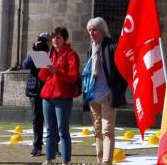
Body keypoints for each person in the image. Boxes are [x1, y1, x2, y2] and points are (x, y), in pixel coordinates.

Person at [82, 17, 127, 165]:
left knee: (108, 132)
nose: (91, 33)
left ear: (102, 30)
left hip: (107, 95)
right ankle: (99, 161)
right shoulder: (91, 49)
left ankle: (106, 162)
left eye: (94, 29)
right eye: (89, 30)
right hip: (93, 96)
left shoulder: (112, 47)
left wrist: (118, 89)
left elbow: (123, 71)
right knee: (97, 131)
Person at [39, 27, 80, 165]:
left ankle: (66, 161)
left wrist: (57, 71)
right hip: (47, 96)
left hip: (63, 96)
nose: (55, 40)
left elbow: (73, 77)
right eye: (54, 37)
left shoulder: (71, 54)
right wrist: (44, 67)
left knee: (63, 130)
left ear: (64, 39)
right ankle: (49, 159)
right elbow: (43, 78)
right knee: (50, 130)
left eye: (58, 37)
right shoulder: (50, 54)